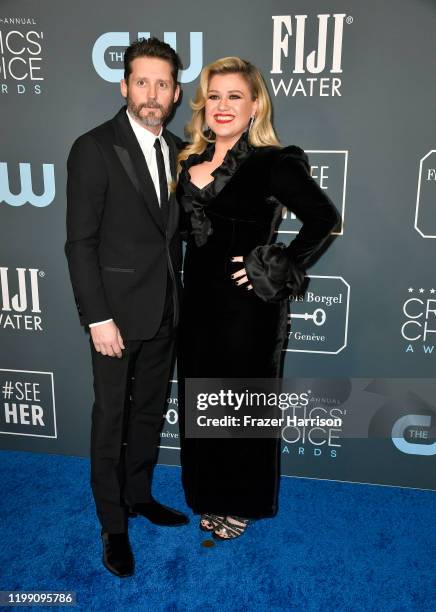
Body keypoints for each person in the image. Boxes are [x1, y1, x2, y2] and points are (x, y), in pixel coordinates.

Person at [177, 57, 341, 540]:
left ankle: (241, 503)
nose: (223, 106)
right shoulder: (187, 162)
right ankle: (209, 493)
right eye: (215, 95)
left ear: (254, 106)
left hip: (248, 311)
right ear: (203, 105)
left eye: (235, 96)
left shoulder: (273, 161)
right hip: (198, 306)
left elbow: (322, 217)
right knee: (204, 403)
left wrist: (275, 266)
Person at [65, 38, 189, 578]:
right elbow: (80, 244)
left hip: (165, 311)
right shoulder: (93, 147)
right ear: (124, 86)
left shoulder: (182, 151)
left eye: (162, 83)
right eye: (142, 81)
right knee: (110, 419)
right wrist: (98, 318)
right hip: (114, 317)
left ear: (177, 93)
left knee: (147, 413)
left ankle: (139, 495)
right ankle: (112, 525)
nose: (152, 93)